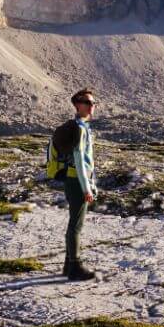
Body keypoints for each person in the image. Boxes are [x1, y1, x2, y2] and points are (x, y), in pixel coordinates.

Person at [60, 87, 99, 281]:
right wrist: (87, 188)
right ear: (77, 105)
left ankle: (68, 265)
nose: (91, 106)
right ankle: (74, 267)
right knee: (76, 225)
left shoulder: (80, 127)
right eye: (87, 102)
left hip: (73, 180)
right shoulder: (80, 129)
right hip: (77, 181)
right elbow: (79, 160)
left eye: (93, 103)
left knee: (73, 222)